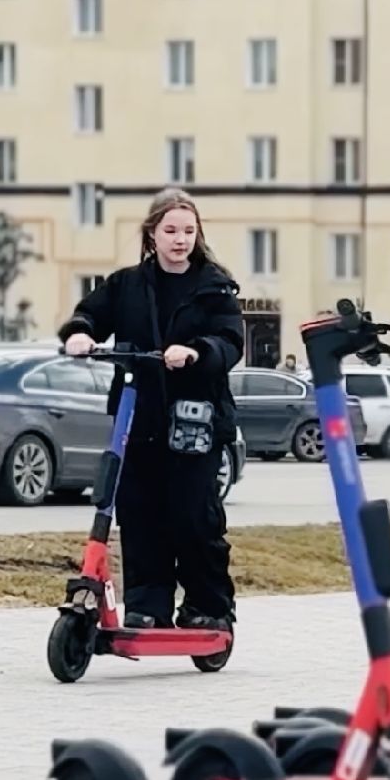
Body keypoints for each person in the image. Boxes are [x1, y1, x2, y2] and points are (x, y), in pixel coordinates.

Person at [59, 188, 244, 632]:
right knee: (140, 516)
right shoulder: (127, 285)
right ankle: (148, 605)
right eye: (171, 230)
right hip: (138, 418)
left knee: (192, 517)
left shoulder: (214, 287)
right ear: (152, 234)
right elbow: (90, 315)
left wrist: (198, 352)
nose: (180, 239)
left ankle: (209, 607)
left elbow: (231, 340)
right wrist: (80, 334)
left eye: (188, 230)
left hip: (195, 422)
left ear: (197, 235)